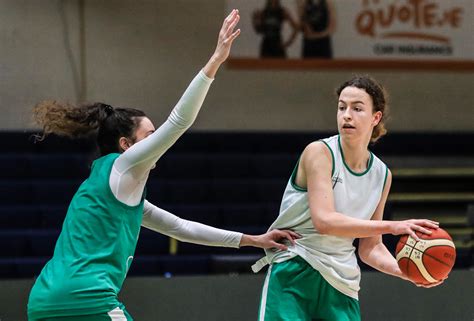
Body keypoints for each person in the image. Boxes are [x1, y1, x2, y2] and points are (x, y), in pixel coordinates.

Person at [27, 10, 299, 321]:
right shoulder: (123, 167)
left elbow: (182, 228)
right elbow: (179, 122)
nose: (158, 141)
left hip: (44, 300)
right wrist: (215, 61)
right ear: (127, 145)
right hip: (84, 298)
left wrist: (253, 240)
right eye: (150, 135)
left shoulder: (116, 191)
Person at [252, 75, 444, 320]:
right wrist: (393, 226)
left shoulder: (382, 174)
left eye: (357, 108)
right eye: (342, 107)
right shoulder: (319, 152)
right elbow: (325, 222)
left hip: (342, 282)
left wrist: (406, 271)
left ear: (376, 117)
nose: (346, 115)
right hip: (295, 269)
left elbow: (370, 247)